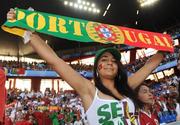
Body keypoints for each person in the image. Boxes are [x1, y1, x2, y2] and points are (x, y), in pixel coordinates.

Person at [7, 8, 166, 125]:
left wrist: (165, 44)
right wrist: (27, 31)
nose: (110, 62)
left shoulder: (127, 87)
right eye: (104, 59)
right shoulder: (88, 91)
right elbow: (55, 61)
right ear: (97, 67)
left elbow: (150, 66)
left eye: (114, 60)